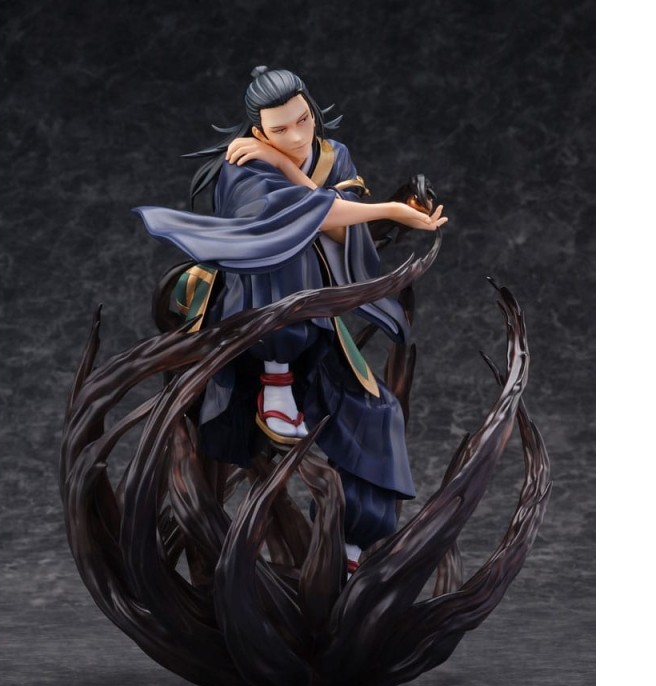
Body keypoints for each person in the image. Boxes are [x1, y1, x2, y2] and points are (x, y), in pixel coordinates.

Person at [134, 67, 447, 571]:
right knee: (285, 244)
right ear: (257, 130)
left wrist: (287, 165)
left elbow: (343, 232)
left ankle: (350, 551)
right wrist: (387, 209)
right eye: (280, 130)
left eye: (303, 120)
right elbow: (288, 224)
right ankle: (275, 380)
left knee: (378, 414)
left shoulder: (333, 156)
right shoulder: (241, 162)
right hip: (250, 320)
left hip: (318, 315)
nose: (298, 136)